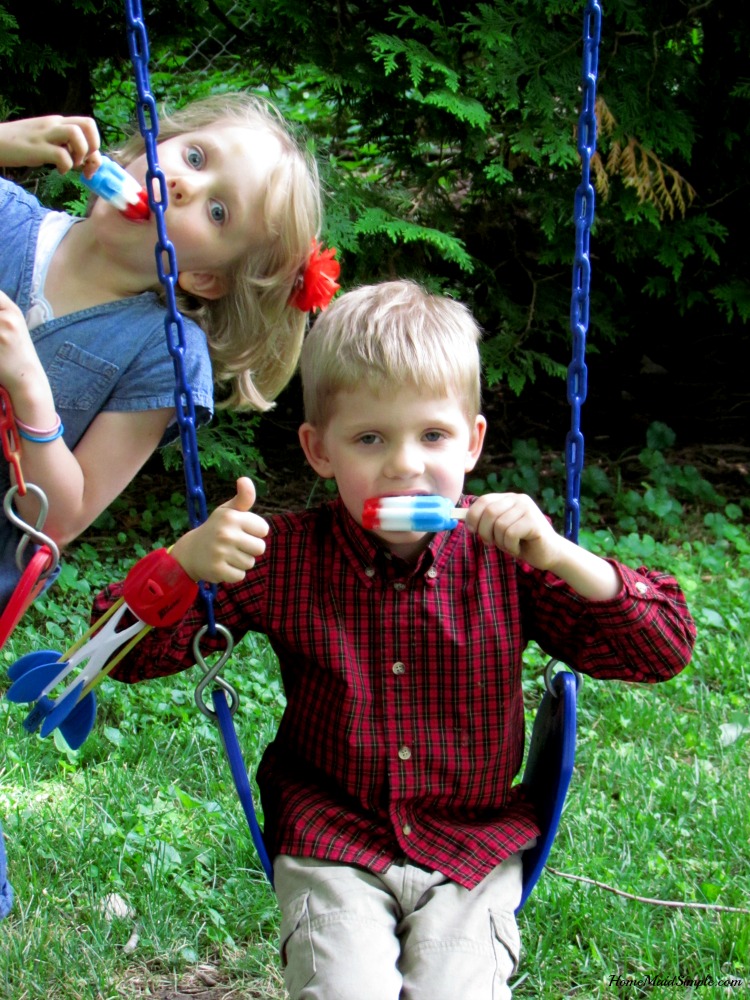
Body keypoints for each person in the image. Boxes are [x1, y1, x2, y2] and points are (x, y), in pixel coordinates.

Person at [96, 280, 696, 998]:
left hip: (473, 847)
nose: (406, 464)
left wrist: (567, 558)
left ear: (473, 442)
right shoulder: (283, 556)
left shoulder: (510, 556)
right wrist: (183, 567)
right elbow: (117, 655)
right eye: (370, 438)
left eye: (433, 436)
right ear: (320, 452)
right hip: (332, 843)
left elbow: (662, 648)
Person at [0, 92, 328, 610]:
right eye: (194, 157)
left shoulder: (161, 352)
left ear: (204, 276)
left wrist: (27, 385)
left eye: (218, 211)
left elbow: (60, 521)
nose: (182, 184)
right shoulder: (6, 217)